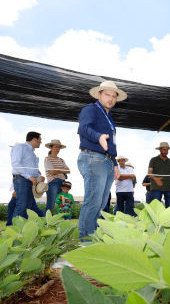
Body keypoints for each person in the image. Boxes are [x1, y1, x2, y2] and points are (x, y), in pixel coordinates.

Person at [77, 80, 125, 240]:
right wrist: (98, 137)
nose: (111, 99)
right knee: (93, 200)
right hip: (93, 157)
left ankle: (92, 234)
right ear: (99, 95)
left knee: (102, 202)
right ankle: (85, 238)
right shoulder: (90, 109)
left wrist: (115, 164)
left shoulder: (109, 117)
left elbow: (111, 144)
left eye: (114, 96)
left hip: (107, 161)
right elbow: (83, 128)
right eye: (107, 95)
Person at [10, 131, 46, 223]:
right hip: (22, 180)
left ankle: (45, 223)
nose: (41, 142)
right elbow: (16, 164)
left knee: (30, 206)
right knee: (22, 206)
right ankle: (15, 230)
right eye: (40, 139)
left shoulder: (33, 154)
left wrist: (39, 176)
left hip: (30, 181)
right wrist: (29, 177)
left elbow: (32, 170)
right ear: (34, 139)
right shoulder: (20, 147)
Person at [149, 142, 170, 208]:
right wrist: (156, 179)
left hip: (168, 187)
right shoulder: (153, 160)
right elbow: (149, 172)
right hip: (156, 187)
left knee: (169, 208)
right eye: (164, 150)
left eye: (167, 150)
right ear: (160, 150)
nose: (166, 152)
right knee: (156, 207)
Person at [44, 139, 70, 214]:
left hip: (63, 183)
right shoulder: (47, 159)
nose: (57, 149)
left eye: (59, 147)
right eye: (56, 147)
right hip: (53, 183)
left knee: (64, 205)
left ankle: (62, 220)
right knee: (51, 205)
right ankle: (45, 220)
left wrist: (57, 170)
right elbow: (52, 172)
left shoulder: (61, 160)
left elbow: (68, 171)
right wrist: (62, 170)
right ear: (51, 148)